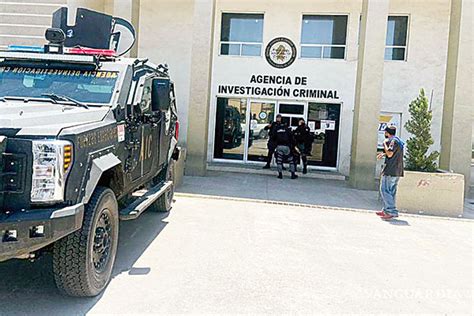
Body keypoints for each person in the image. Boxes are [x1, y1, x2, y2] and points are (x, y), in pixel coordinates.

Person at [376, 125, 405, 220]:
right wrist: (384, 154)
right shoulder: (398, 141)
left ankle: (392, 211)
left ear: (387, 133)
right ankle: (386, 210)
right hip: (397, 170)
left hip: (390, 170)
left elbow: (390, 153)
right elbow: (393, 154)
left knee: (384, 190)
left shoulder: (392, 141)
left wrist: (384, 144)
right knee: (391, 192)